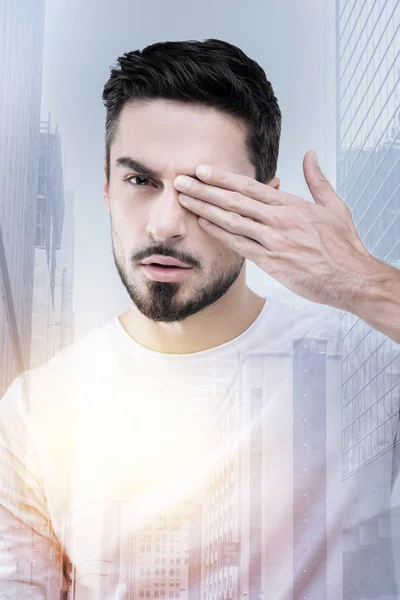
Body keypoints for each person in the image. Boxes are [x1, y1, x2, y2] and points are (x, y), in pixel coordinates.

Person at [0, 38, 399, 600]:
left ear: (266, 203)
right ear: (107, 188)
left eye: (205, 191)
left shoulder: (366, 362)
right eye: (141, 181)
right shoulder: (35, 413)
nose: (165, 224)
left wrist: (361, 281)